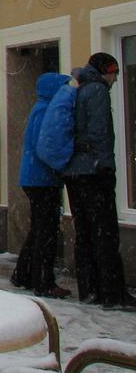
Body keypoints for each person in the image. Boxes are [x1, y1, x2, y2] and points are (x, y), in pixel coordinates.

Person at [61, 53, 135, 310]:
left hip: (74, 172)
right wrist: (105, 166)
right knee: (104, 232)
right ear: (107, 71)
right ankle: (112, 294)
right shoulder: (98, 91)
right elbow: (100, 132)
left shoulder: (79, 89)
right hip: (92, 171)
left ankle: (89, 289)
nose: (115, 79)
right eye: (114, 73)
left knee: (85, 232)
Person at [11, 72, 71, 298]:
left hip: (34, 177)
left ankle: (24, 273)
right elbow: (46, 148)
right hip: (42, 179)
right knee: (45, 231)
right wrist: (63, 165)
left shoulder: (39, 108)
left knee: (38, 229)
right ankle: (43, 281)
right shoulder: (47, 111)